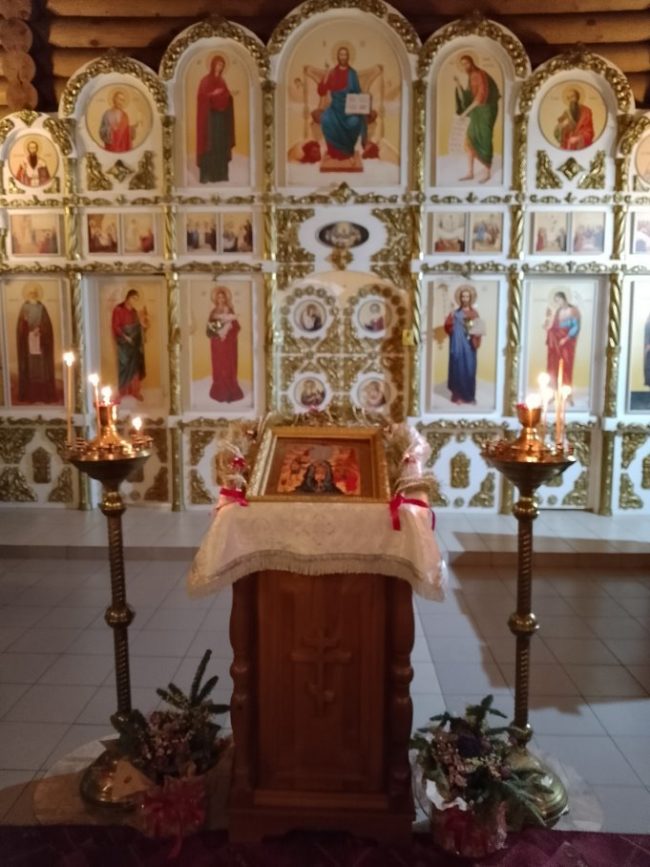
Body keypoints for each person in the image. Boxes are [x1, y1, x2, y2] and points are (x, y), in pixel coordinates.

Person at [304, 46, 380, 164]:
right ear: (337, 57)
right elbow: (322, 91)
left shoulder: (352, 74)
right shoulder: (332, 73)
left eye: (345, 55)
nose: (343, 57)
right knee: (327, 119)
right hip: (335, 108)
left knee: (354, 122)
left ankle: (348, 152)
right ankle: (333, 152)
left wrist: (364, 101)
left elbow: (358, 93)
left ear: (348, 57)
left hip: (350, 108)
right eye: (341, 55)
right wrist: (326, 76)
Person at [454, 54, 500, 183]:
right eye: (462, 64)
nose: (465, 66)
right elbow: (468, 97)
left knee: (485, 139)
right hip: (476, 112)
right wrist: (458, 84)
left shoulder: (480, 75)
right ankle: (470, 172)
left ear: (472, 63)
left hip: (485, 111)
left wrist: (465, 113)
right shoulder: (471, 77)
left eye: (466, 63)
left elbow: (480, 97)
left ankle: (487, 173)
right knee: (471, 139)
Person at [196, 55, 235, 183]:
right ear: (213, 65)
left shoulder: (222, 81)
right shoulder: (205, 81)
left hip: (221, 119)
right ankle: (207, 175)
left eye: (222, 65)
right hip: (210, 119)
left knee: (220, 145)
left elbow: (226, 96)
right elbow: (201, 97)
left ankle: (221, 175)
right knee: (210, 145)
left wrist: (228, 96)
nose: (220, 67)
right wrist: (213, 94)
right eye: (218, 64)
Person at [16, 283, 56, 403]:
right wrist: (26, 326)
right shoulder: (24, 307)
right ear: (28, 294)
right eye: (31, 293)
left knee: (41, 368)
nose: (33, 295)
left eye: (35, 293)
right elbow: (20, 327)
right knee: (30, 368)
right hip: (28, 342)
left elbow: (47, 325)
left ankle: (43, 395)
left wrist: (40, 330)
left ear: (37, 294)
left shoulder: (41, 307)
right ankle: (30, 396)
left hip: (40, 341)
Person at [444, 285, 483, 404]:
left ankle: (469, 397)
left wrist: (475, 333)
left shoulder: (474, 313)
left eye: (467, 296)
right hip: (457, 345)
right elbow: (448, 328)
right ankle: (458, 396)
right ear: (460, 298)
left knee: (469, 369)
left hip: (469, 346)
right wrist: (450, 321)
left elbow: (478, 329)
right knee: (457, 368)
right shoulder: (455, 313)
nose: (465, 299)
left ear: (470, 298)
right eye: (463, 296)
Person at [206, 285, 243, 402]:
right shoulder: (213, 312)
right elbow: (209, 328)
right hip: (217, 344)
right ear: (216, 299)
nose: (221, 299)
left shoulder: (230, 310)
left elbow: (236, 327)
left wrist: (227, 332)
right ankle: (219, 391)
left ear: (226, 298)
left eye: (222, 297)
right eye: (218, 297)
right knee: (218, 365)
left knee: (228, 365)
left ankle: (229, 392)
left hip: (228, 344)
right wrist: (216, 332)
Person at [111, 288, 148, 401]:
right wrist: (126, 337)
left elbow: (138, 327)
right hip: (124, 345)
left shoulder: (134, 312)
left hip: (134, 344)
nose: (134, 301)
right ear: (128, 297)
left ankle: (135, 391)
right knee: (124, 367)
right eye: (133, 298)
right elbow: (115, 326)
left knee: (135, 368)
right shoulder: (118, 309)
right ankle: (122, 392)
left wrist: (143, 324)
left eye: (136, 299)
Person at [544, 291, 581, 389]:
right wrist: (548, 327)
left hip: (568, 341)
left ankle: (566, 390)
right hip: (556, 340)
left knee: (567, 364)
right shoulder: (559, 311)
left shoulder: (573, 310)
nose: (558, 303)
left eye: (558, 300)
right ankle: (553, 388)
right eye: (556, 301)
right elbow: (555, 326)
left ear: (563, 298)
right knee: (553, 362)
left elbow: (576, 327)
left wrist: (566, 339)